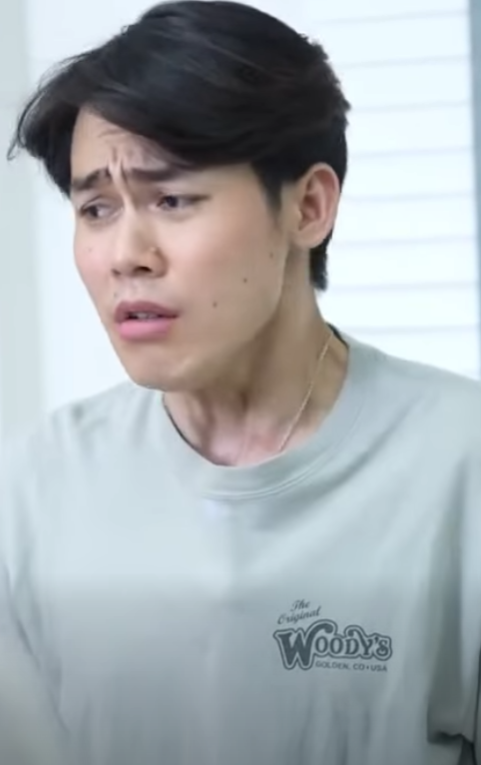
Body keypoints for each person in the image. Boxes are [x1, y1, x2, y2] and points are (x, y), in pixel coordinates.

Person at [2, 1, 481, 763]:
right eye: (95, 208)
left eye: (172, 199)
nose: (126, 253)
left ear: (308, 206)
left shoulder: (459, 463)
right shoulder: (35, 491)